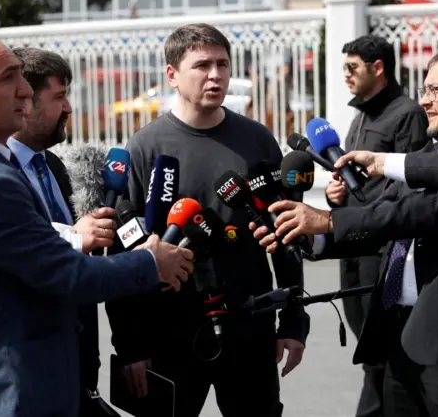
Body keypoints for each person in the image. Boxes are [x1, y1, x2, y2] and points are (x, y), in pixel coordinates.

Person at [0, 29, 194, 417]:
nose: (25, 90)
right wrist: (151, 262)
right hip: (9, 396)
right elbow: (68, 276)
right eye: (9, 78)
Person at [249, 46, 438, 416]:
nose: (425, 102)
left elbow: (429, 211)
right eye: (425, 90)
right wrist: (310, 233)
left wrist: (330, 219)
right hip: (399, 337)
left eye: (436, 90)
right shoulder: (431, 154)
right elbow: (382, 214)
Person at [105, 23, 309, 417]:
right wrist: (131, 347)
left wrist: (293, 321)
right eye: (202, 65)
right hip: (169, 333)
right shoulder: (145, 147)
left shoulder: (257, 139)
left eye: (222, 64)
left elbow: (284, 235)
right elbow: (122, 256)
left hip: (249, 325)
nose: (215, 75)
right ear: (172, 74)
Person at [7, 46, 120, 416]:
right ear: (25, 101)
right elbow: (19, 248)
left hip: (78, 364)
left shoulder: (52, 164)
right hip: (30, 374)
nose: (69, 108)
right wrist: (74, 236)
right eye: (59, 97)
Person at [326, 34, 428, 417]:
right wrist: (338, 194)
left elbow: (408, 187)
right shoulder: (361, 115)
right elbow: (358, 181)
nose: (346, 76)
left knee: (381, 354)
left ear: (378, 68)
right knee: (370, 350)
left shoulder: (407, 115)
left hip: (384, 250)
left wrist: (363, 211)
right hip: (352, 244)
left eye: (352, 68)